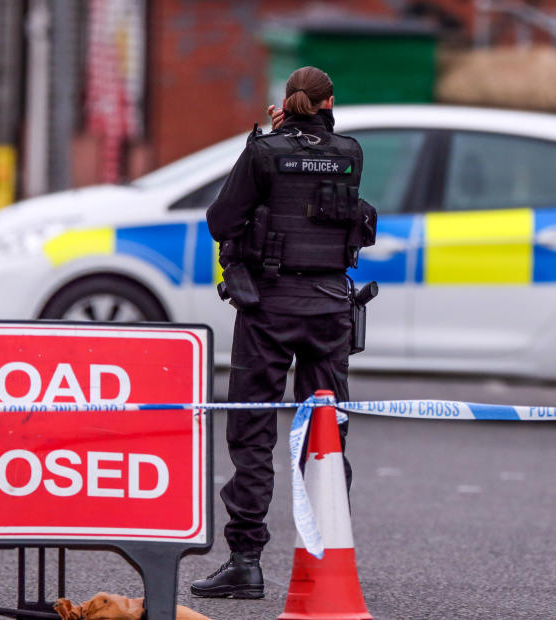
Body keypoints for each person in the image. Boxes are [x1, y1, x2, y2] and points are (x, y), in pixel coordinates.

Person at [190, 66, 376, 599]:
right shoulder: (351, 152)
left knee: (252, 435)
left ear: (285, 103)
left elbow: (222, 220)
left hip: (268, 307)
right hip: (330, 307)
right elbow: (327, 178)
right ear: (328, 103)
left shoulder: (265, 151)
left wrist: (269, 142)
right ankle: (329, 559)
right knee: (325, 434)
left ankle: (245, 563)